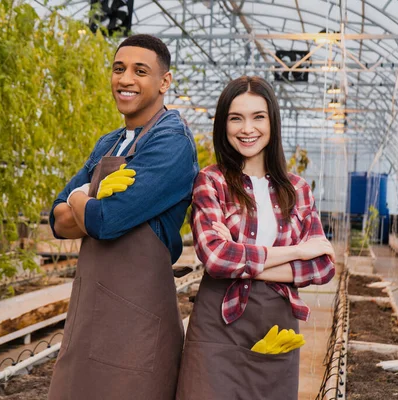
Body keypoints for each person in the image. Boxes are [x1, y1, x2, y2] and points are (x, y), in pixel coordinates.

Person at [48, 34, 198, 400]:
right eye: (119, 69)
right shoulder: (109, 143)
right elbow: (56, 220)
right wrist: (87, 206)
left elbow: (105, 221)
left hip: (137, 322)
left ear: (164, 82)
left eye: (139, 71)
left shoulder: (172, 142)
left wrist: (82, 196)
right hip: (89, 313)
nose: (125, 79)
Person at [176, 76, 336, 400]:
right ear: (224, 125)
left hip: (277, 328)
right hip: (217, 329)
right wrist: (297, 251)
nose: (247, 128)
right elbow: (216, 258)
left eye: (257, 117)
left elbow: (323, 267)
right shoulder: (211, 181)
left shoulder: (297, 190)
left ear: (272, 122)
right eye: (236, 118)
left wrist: (243, 256)